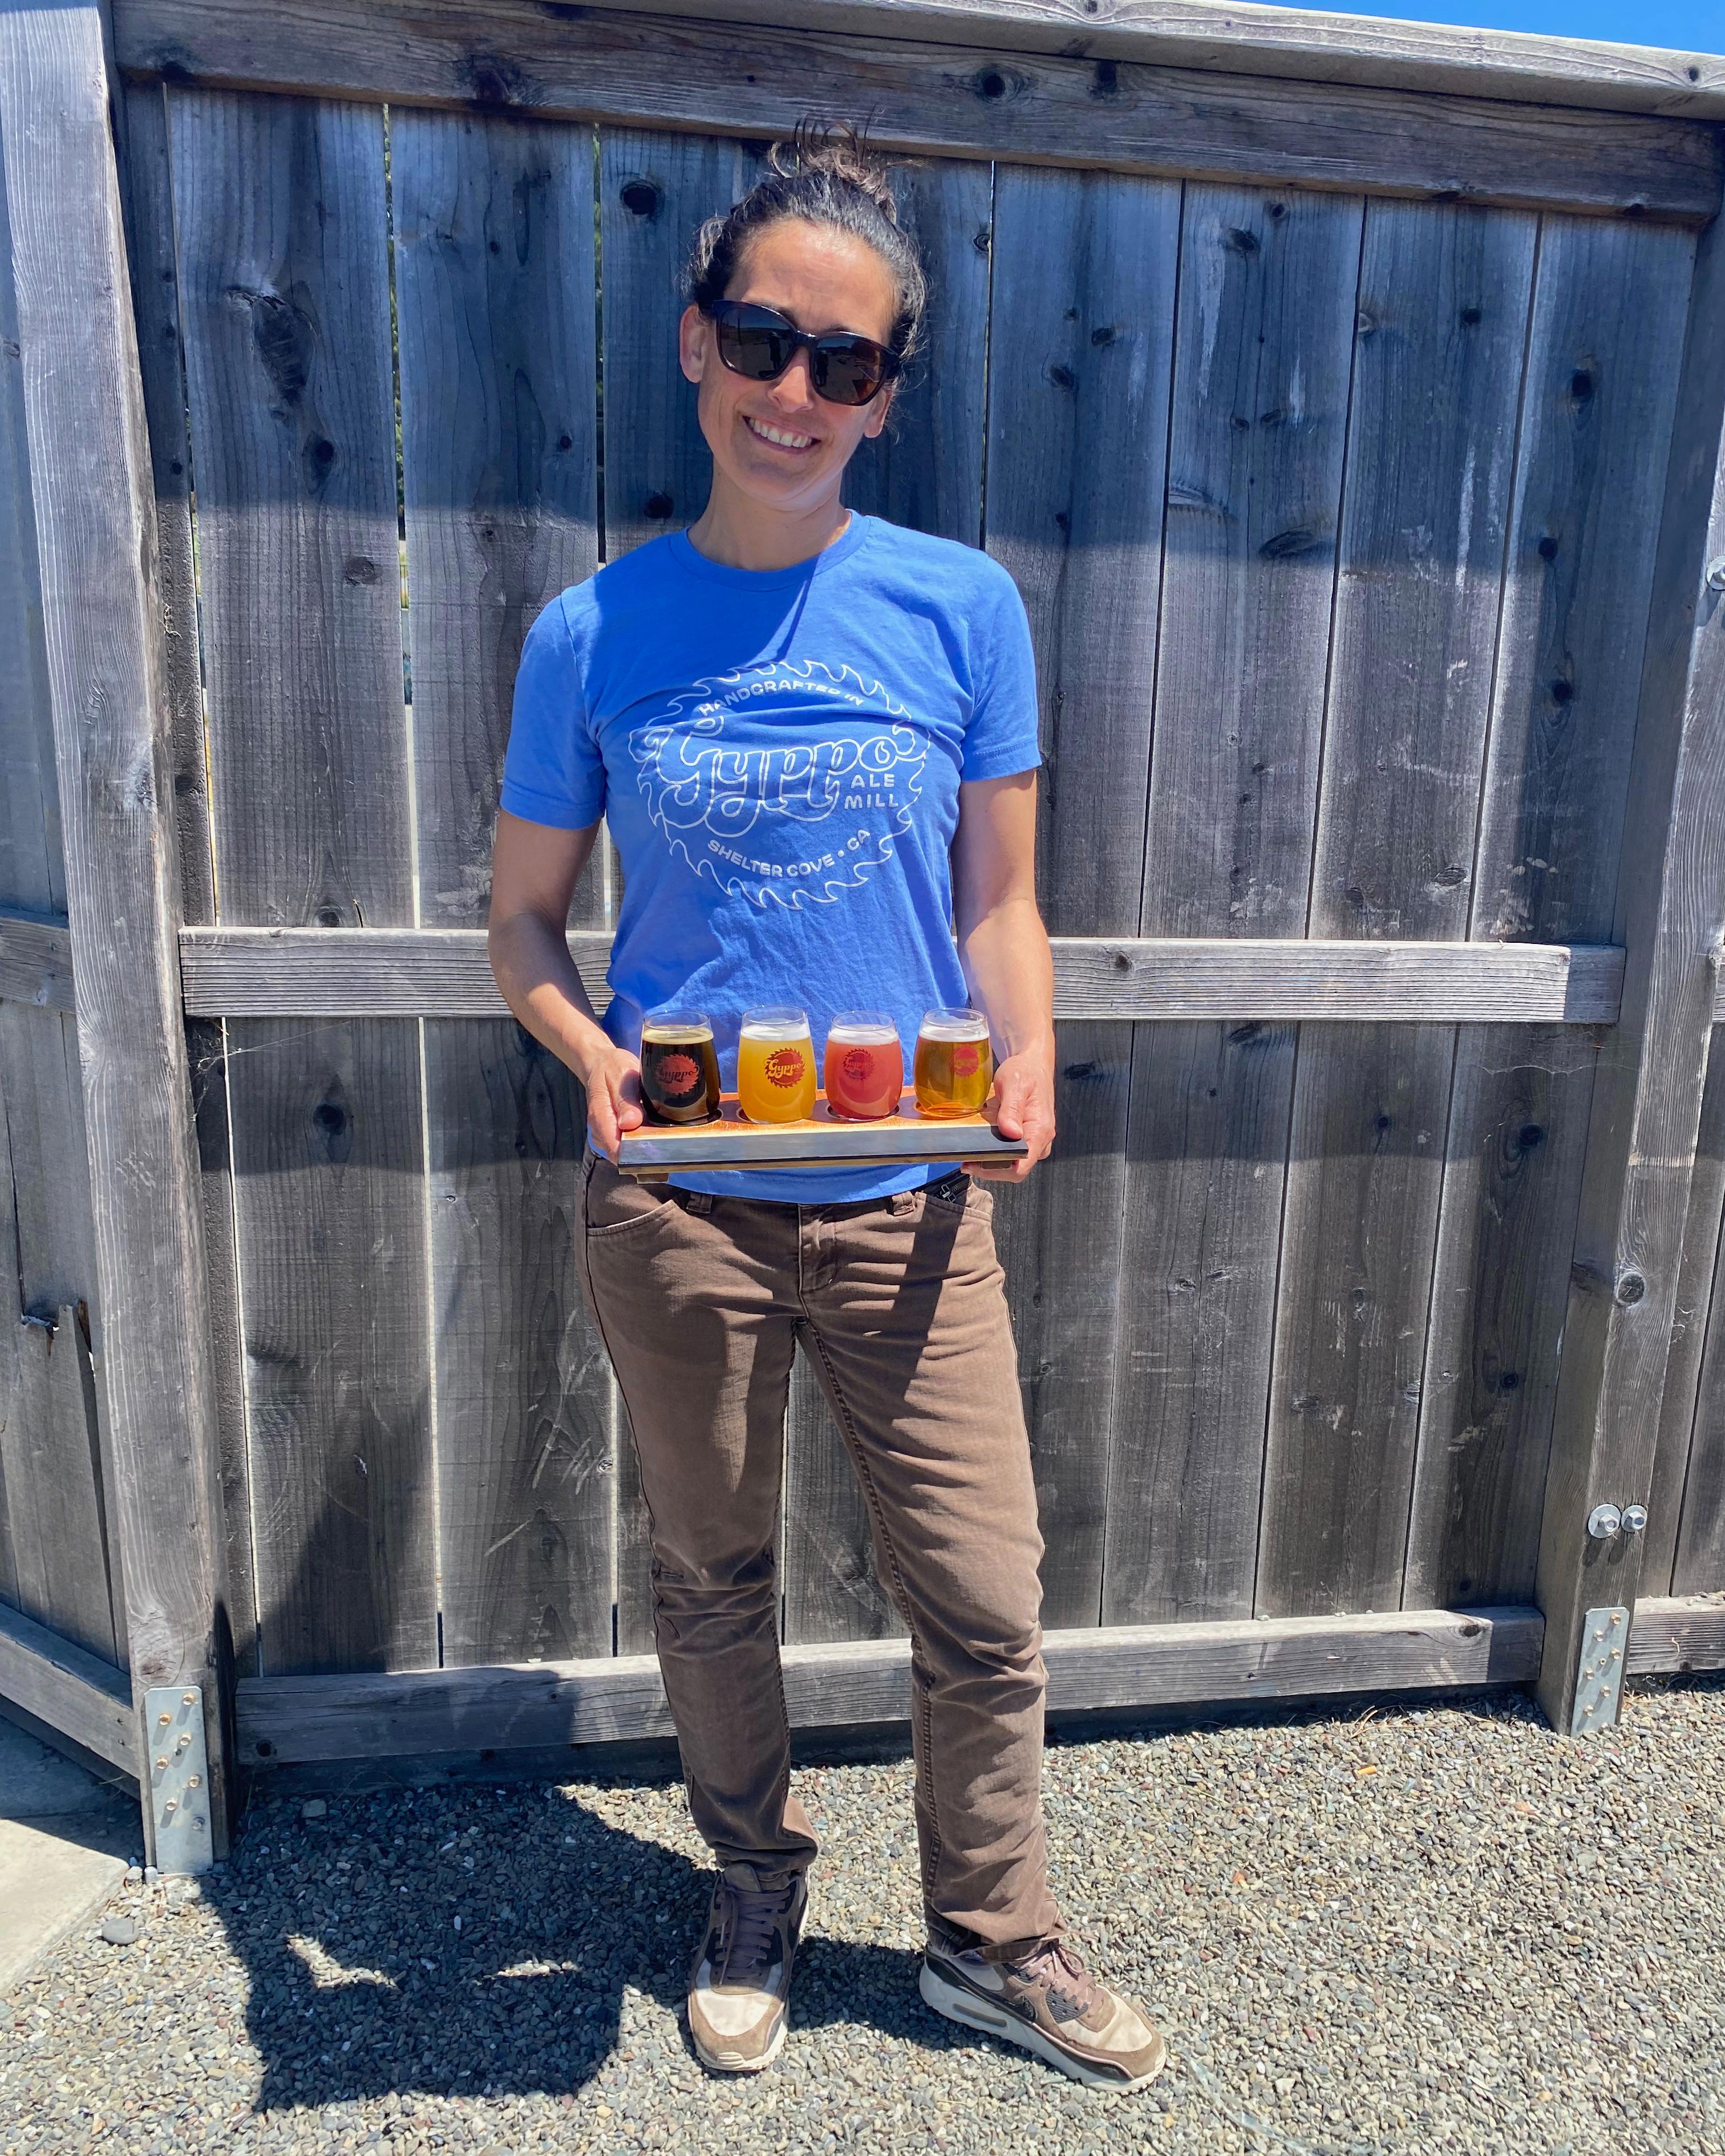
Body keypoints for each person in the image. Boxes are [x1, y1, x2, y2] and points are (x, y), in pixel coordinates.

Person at [487, 124, 1165, 2094]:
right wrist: (587, 1050)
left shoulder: (961, 613)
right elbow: (525, 923)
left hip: (910, 1196)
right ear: (697, 346)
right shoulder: (593, 633)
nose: (798, 392)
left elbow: (1002, 901)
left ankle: (987, 1928)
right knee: (711, 1570)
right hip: (680, 1196)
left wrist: (1023, 1054)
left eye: (844, 364)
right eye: (765, 342)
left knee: (983, 1592)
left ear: (887, 395)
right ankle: (755, 1875)